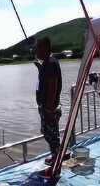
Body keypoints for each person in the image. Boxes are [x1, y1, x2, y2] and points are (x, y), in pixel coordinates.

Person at [34, 37, 63, 165]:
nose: (36, 51)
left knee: (52, 136)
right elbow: (46, 80)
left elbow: (52, 86)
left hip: (49, 107)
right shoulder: (47, 63)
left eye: (38, 48)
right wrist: (41, 69)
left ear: (45, 48)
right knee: (49, 133)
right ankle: (55, 156)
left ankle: (56, 164)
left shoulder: (50, 63)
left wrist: (50, 108)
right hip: (46, 106)